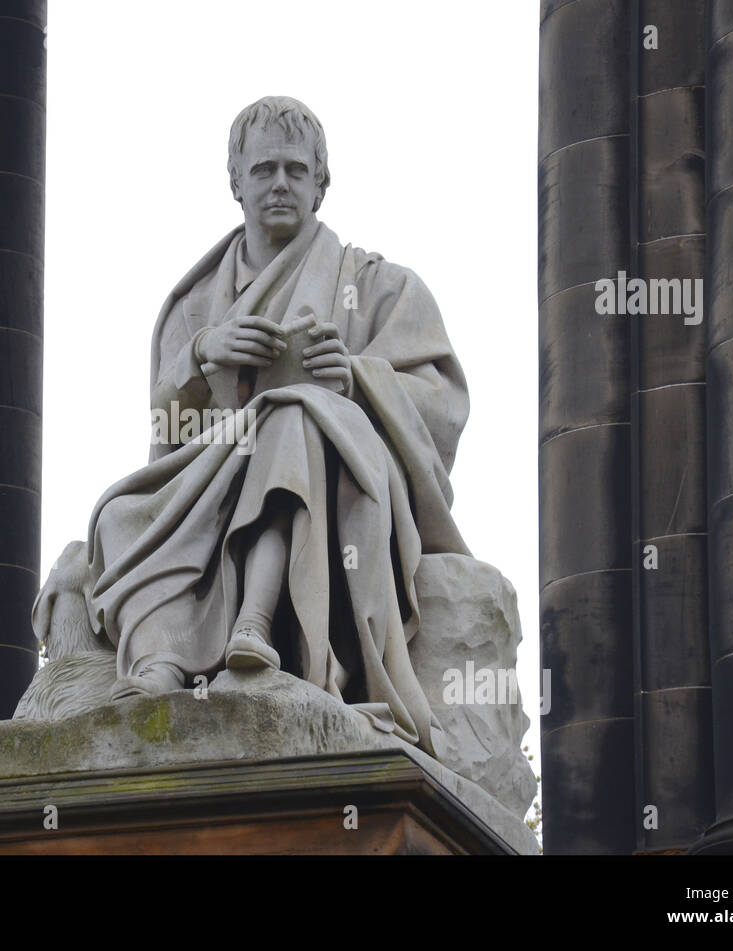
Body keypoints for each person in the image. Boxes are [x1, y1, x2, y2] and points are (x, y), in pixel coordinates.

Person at [71, 96, 470, 758]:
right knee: (117, 514)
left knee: (294, 415)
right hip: (211, 474)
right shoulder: (193, 304)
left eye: (294, 170)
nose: (279, 184)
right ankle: (160, 664)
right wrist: (202, 359)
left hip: (328, 478)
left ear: (321, 181)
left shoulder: (377, 286)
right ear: (236, 182)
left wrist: (356, 379)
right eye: (263, 170)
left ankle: (255, 625)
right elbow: (168, 444)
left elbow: (440, 404)